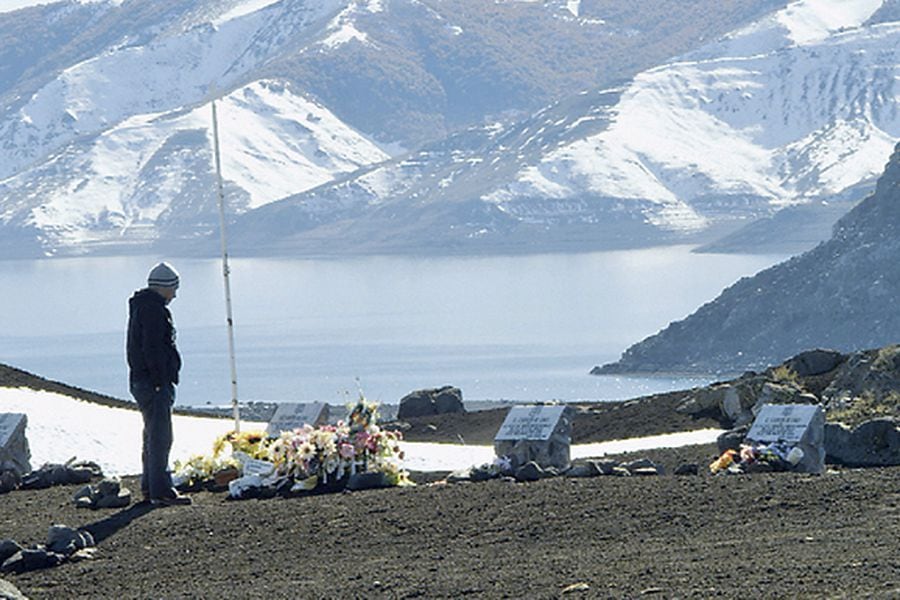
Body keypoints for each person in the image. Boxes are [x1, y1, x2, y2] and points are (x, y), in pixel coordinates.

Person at [126, 262, 191, 506]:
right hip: (154, 383)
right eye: (174, 288)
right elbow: (152, 347)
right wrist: (158, 380)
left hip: (142, 381)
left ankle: (150, 487)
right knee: (161, 436)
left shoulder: (142, 307)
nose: (175, 294)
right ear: (164, 287)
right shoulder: (154, 310)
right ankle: (162, 491)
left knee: (152, 434)